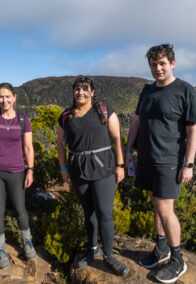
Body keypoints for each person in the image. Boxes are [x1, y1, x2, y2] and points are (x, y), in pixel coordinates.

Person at [125, 44, 196, 283]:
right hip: (146, 158)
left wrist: (188, 164)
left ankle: (177, 260)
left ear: (172, 63)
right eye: (153, 64)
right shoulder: (147, 90)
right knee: (155, 203)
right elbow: (136, 122)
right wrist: (129, 150)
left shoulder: (184, 90)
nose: (157, 68)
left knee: (166, 209)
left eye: (162, 64)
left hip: (169, 160)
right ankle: (161, 249)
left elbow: (193, 129)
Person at [56, 76, 129, 276]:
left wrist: (120, 165)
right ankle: (91, 249)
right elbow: (60, 144)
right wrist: (63, 170)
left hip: (103, 168)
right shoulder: (66, 116)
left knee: (104, 212)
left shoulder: (103, 110)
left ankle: (109, 256)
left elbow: (117, 138)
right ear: (73, 92)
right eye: (77, 89)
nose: (81, 92)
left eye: (85, 88)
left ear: (92, 92)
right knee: (88, 212)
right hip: (78, 170)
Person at [0, 82, 36, 269]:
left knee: (20, 209)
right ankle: (1, 249)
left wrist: (31, 170)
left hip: (17, 171)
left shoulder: (22, 119)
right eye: (1, 97)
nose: (4, 100)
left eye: (7, 96)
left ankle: (27, 242)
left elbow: (28, 147)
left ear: (14, 97)